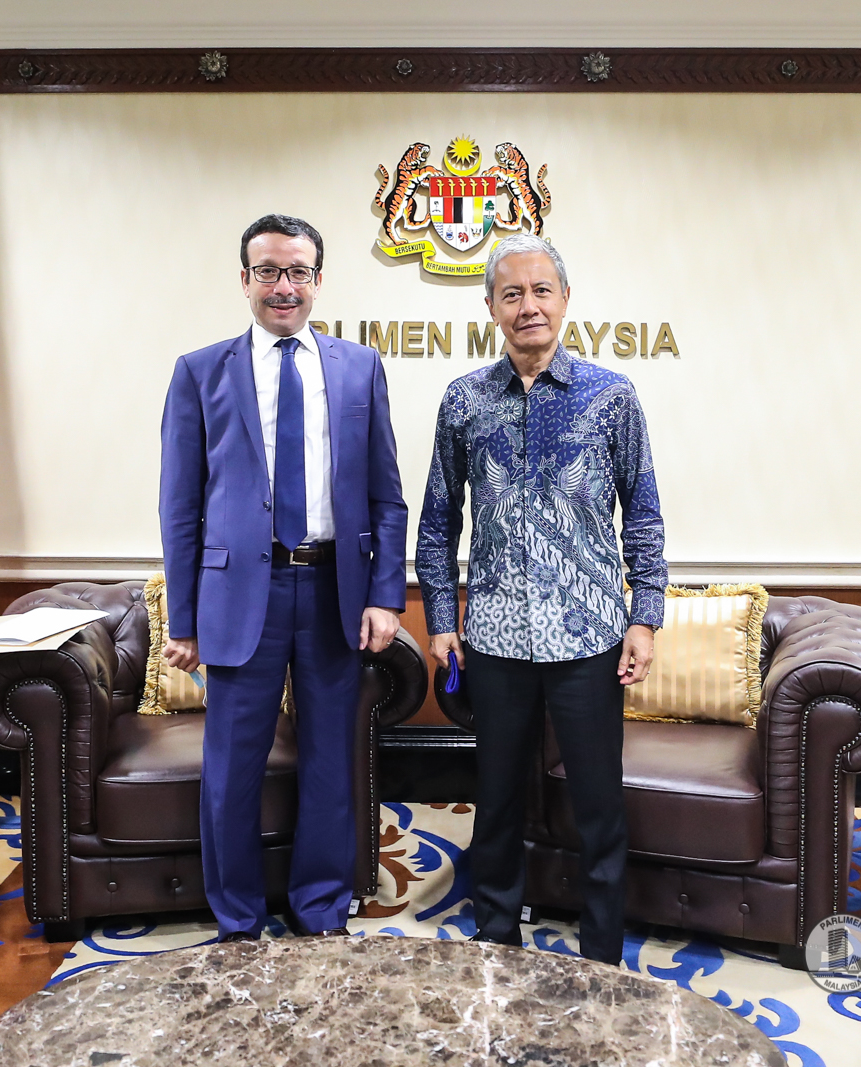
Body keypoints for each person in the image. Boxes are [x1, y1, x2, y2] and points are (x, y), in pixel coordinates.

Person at [415, 232, 666, 965]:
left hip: (589, 636)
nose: (528, 306)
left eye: (541, 290)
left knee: (598, 804)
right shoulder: (465, 400)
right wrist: (441, 621)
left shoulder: (611, 396)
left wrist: (645, 617)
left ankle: (602, 953)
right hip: (494, 639)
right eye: (512, 294)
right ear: (491, 307)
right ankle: (496, 939)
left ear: (565, 299)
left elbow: (643, 512)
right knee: (496, 801)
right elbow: (438, 520)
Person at [159, 214, 408, 941]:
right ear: (245, 280)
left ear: (318, 281)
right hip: (244, 598)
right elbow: (180, 507)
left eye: (298, 271)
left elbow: (387, 496)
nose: (283, 286)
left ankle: (319, 909)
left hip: (334, 592)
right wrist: (184, 619)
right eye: (268, 271)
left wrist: (386, 595)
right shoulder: (200, 372)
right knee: (232, 770)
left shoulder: (359, 368)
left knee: (330, 764)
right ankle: (238, 919)